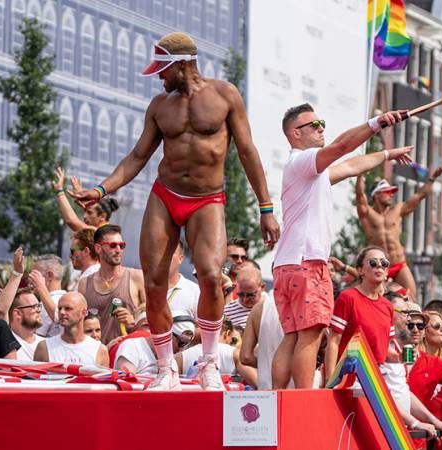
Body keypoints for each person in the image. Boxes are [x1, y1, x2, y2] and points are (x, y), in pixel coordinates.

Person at [71, 31, 280, 391]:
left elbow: (247, 152)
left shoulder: (225, 96)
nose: (158, 77)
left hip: (207, 198)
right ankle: (166, 367)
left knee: (212, 276)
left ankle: (209, 362)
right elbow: (138, 156)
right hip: (165, 195)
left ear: (183, 64)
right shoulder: (160, 106)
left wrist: (266, 208)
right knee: (153, 281)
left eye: (163, 70)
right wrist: (102, 188)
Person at [271, 102, 411, 389]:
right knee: (310, 334)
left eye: (322, 123)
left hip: (286, 264)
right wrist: (377, 123)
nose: (322, 128)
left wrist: (386, 154)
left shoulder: (307, 171)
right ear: (295, 134)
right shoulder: (303, 160)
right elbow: (341, 148)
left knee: (293, 336)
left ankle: (277, 398)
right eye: (315, 125)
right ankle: (304, 400)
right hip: (307, 262)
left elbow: (349, 166)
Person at [355, 169, 442, 301]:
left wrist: (432, 179)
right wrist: (360, 174)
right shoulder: (367, 214)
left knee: (412, 298)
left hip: (399, 263)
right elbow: (359, 194)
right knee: (376, 299)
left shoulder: (397, 210)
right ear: (377, 195)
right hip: (379, 265)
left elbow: (420, 195)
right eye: (387, 192)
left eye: (392, 192)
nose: (391, 195)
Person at [325, 246, 395, 381]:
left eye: (384, 263)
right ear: (360, 270)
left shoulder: (388, 306)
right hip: (349, 377)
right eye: (373, 262)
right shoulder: (348, 297)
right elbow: (333, 341)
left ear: (387, 271)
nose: (379, 265)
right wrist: (330, 379)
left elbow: (385, 350)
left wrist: (402, 356)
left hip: (377, 379)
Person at [77, 225, 146, 344]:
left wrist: (133, 322)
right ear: (98, 248)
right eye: (113, 245)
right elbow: (78, 322)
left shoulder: (137, 277)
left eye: (122, 245)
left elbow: (151, 318)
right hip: (97, 356)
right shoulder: (84, 283)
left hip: (128, 353)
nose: (118, 250)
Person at [34, 292, 109, 367]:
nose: (62, 312)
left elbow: (104, 378)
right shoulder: (44, 348)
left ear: (83, 313)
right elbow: (34, 377)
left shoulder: (100, 350)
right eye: (59, 308)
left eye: (68, 308)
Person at [53, 166, 119, 233]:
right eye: (85, 211)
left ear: (102, 216)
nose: (84, 216)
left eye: (89, 212)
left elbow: (72, 221)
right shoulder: (104, 232)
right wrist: (81, 196)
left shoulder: (102, 233)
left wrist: (60, 190)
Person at [29, 254, 67, 337]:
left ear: (49, 276)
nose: (30, 279)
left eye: (34, 275)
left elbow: (35, 339)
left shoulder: (45, 305)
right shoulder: (67, 300)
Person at [7, 288, 45, 361]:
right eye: (34, 306)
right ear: (18, 313)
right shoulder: (4, 344)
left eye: (38, 306)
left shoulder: (47, 345)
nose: (39, 311)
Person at [223, 266, 264, 330]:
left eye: (250, 295)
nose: (245, 300)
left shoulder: (270, 309)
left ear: (262, 287)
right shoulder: (227, 311)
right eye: (241, 294)